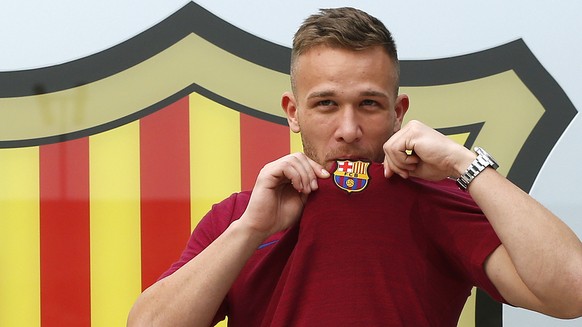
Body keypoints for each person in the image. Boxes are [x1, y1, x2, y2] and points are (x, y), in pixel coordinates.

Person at [127, 7, 582, 326]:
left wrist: (464, 162)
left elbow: (573, 292)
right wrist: (250, 230)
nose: (348, 129)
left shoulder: (439, 202)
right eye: (326, 103)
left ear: (398, 111)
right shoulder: (240, 217)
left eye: (368, 103)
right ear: (292, 111)